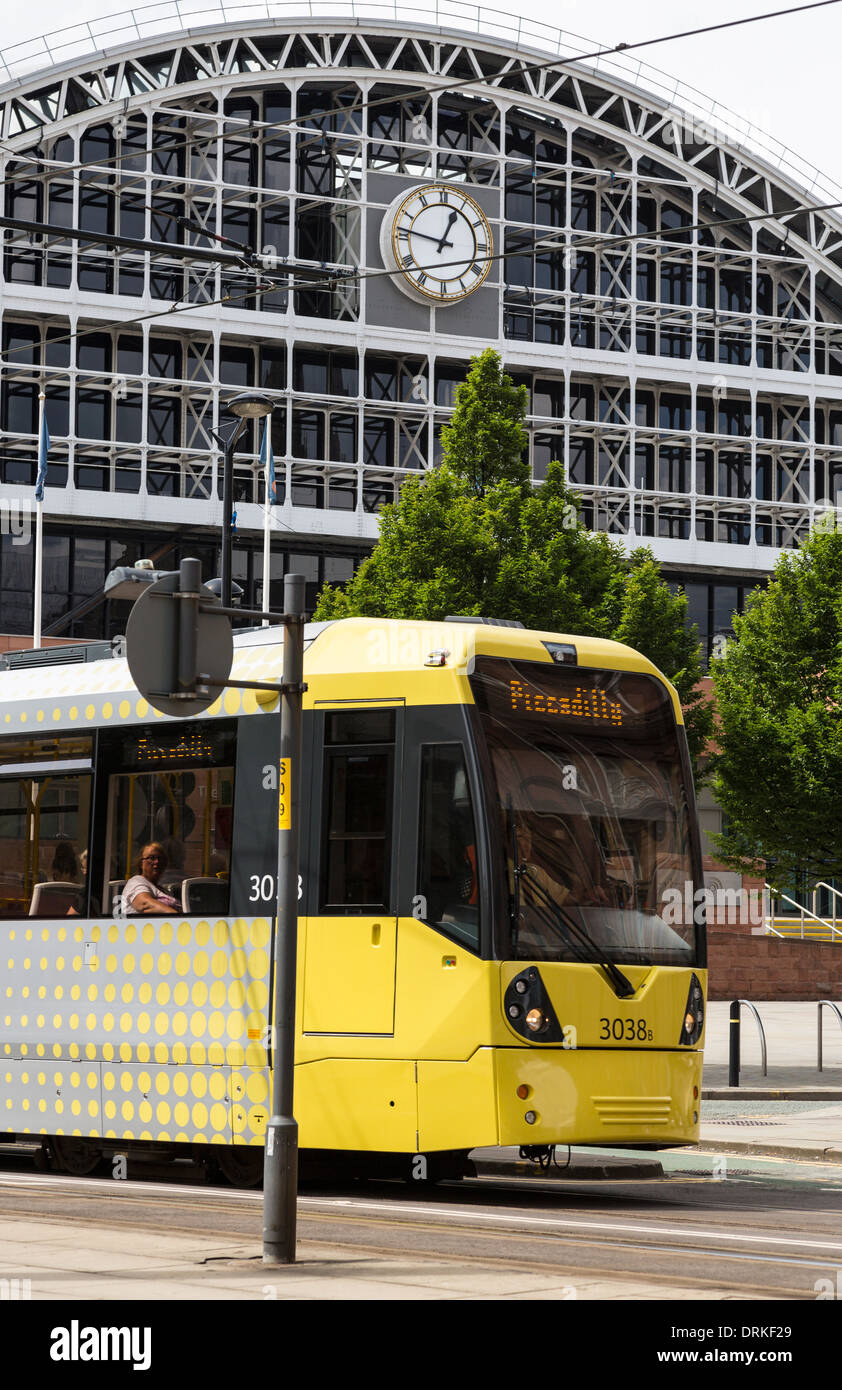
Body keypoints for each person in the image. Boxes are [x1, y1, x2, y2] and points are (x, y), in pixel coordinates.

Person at [123, 843, 180, 915]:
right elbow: (145, 904)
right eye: (152, 858)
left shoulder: (162, 889)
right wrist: (178, 917)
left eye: (160, 858)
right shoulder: (136, 882)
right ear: (141, 863)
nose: (157, 862)